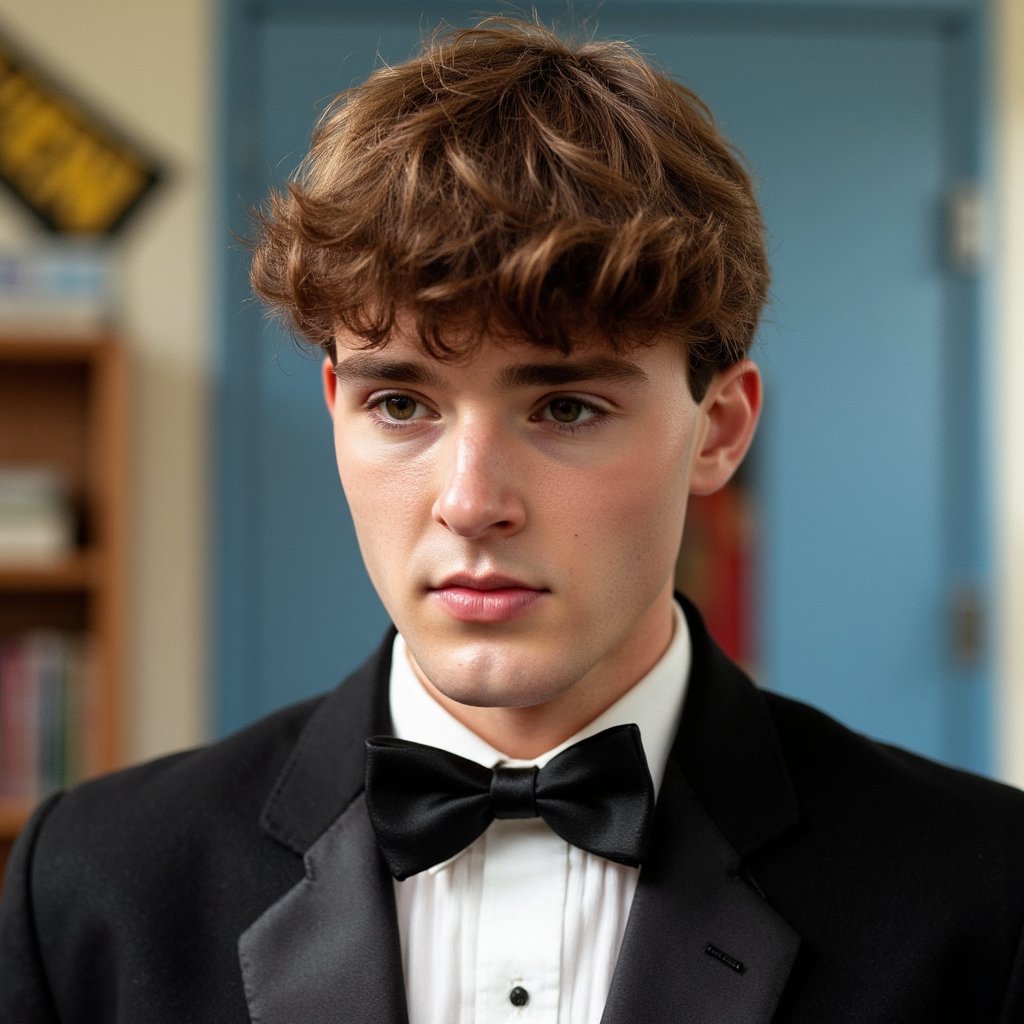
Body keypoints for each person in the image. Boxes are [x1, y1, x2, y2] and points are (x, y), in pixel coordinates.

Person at [2, 16, 1023, 1024]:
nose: (470, 501)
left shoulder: (984, 897)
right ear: (334, 412)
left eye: (566, 407)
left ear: (719, 428)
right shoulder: (91, 887)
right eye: (400, 404)